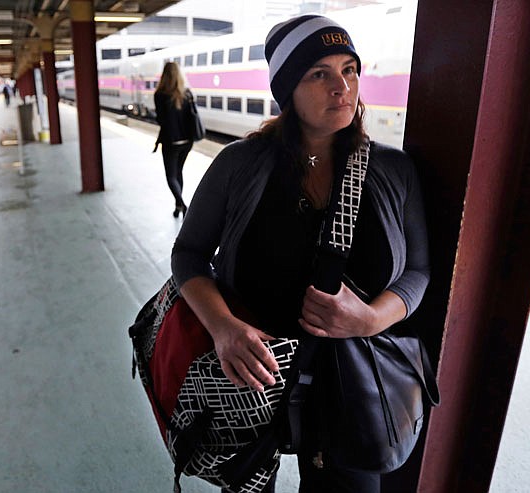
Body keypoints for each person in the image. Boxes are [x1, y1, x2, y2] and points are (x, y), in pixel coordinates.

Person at [171, 14, 430, 493]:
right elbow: (188, 255)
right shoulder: (240, 165)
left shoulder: (393, 171)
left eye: (350, 69)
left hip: (352, 380)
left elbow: (416, 272)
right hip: (251, 377)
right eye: (320, 74)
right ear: (287, 90)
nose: (343, 86)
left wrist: (371, 319)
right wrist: (223, 328)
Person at [154, 61, 195, 218]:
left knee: (171, 176)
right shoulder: (187, 93)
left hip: (171, 141)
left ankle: (183, 205)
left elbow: (161, 120)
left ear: (164, 75)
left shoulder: (160, 95)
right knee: (179, 173)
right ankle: (178, 206)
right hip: (187, 142)